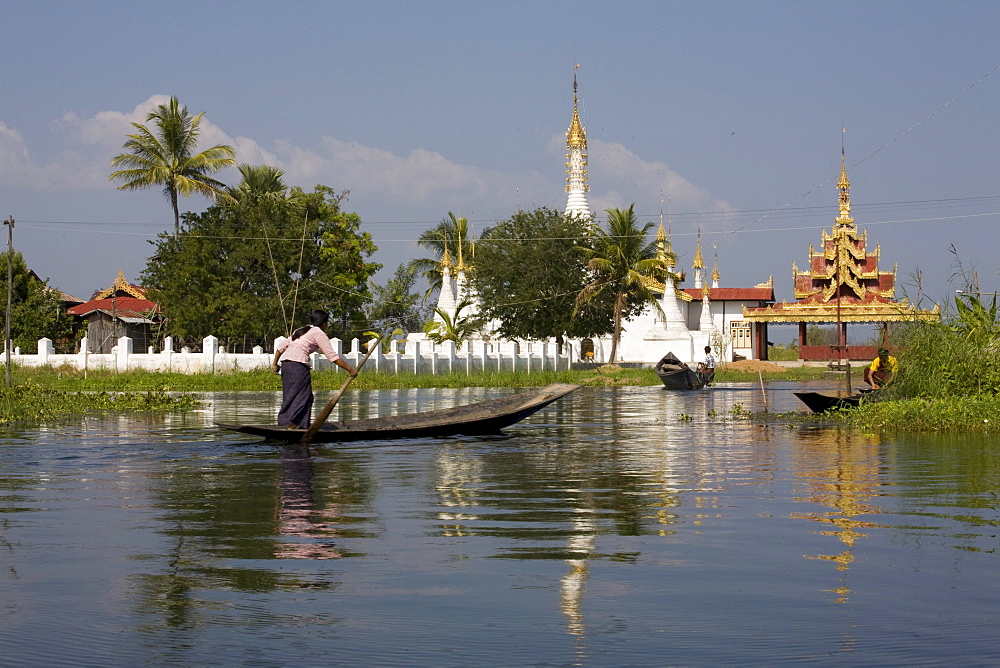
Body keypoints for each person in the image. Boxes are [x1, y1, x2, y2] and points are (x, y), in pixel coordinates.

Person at [272, 310, 357, 429]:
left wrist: (275, 364)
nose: (327, 326)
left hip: (286, 365)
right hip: (298, 366)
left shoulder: (302, 330)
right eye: (327, 323)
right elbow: (332, 356)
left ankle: (289, 424)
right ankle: (292, 426)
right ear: (323, 323)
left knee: (291, 395)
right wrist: (350, 369)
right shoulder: (319, 333)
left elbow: (281, 348)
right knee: (305, 397)